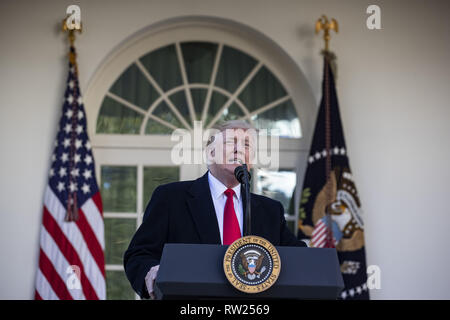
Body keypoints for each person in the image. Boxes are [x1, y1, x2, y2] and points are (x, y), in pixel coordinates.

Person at [123, 120, 306, 299]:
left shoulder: (270, 211)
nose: (239, 149)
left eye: (247, 145)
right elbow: (139, 254)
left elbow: (299, 259)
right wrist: (151, 271)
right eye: (230, 142)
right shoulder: (171, 198)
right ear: (210, 153)